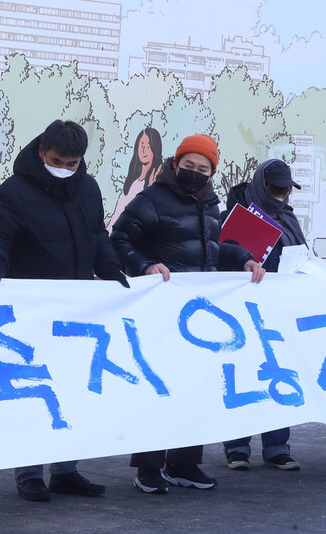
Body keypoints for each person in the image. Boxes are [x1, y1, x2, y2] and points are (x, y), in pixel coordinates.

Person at [0, 119, 128, 503]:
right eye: (58, 160)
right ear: (42, 152)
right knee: (35, 387)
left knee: (72, 387)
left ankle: (66, 470)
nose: (64, 167)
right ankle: (29, 472)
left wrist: (110, 269)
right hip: (33, 306)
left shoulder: (88, 188)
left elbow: (97, 235)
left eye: (73, 163)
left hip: (77, 304)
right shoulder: (15, 190)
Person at [111, 133, 264, 494]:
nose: (194, 172)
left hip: (198, 316)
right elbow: (118, 240)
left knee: (195, 389)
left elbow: (212, 249)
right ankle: (148, 467)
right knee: (159, 389)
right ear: (175, 164)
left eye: (203, 168)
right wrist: (145, 265)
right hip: (161, 313)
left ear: (212, 172)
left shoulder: (209, 203)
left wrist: (242, 258)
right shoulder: (151, 199)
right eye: (188, 165)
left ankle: (184, 463)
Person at [220, 159, 305, 471]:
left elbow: (302, 255)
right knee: (241, 375)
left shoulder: (289, 219)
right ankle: (237, 447)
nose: (281, 196)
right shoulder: (230, 216)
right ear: (260, 185)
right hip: (239, 312)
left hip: (277, 312)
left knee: (281, 373)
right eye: (275, 189)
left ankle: (277, 447)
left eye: (286, 190)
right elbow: (217, 255)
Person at [108, 127, 163, 229]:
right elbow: (116, 216)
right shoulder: (132, 182)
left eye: (148, 146)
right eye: (142, 144)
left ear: (155, 149)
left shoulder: (156, 184)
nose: (144, 150)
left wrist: (152, 189)